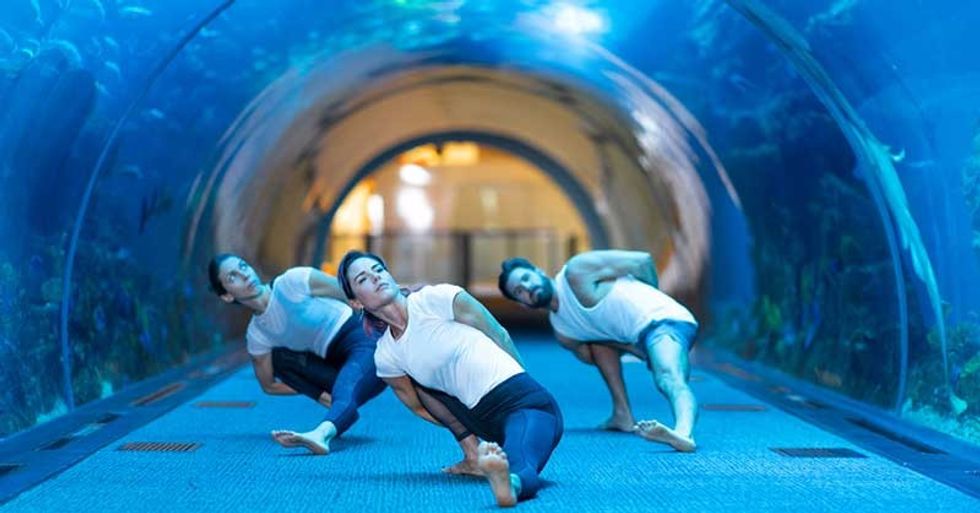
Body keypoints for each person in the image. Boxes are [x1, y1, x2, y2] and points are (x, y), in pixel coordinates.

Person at [208, 253, 480, 472]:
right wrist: (319, 393)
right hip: (333, 364)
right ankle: (338, 403)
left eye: (242, 266)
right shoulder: (258, 334)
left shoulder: (292, 281)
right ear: (227, 295)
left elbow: (352, 292)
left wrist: (405, 292)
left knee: (353, 383)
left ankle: (323, 432)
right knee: (280, 359)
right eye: (232, 276)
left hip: (361, 339)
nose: (244, 274)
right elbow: (268, 385)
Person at [338, 251, 563, 507]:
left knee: (521, 457)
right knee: (423, 389)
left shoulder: (436, 299)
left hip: (524, 402)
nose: (376, 278)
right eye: (363, 279)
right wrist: (468, 428)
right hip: (482, 418)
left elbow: (498, 334)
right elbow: (420, 407)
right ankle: (476, 457)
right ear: (356, 302)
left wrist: (525, 383)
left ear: (389, 274)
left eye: (378, 270)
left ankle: (509, 484)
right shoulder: (387, 355)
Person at [498, 250, 699, 452]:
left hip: (665, 320)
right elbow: (593, 356)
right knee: (596, 345)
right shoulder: (564, 333)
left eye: (526, 278)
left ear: (539, 271)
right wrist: (642, 352)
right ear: (522, 304)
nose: (527, 288)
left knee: (667, 379)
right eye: (519, 291)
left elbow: (642, 261)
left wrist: (654, 299)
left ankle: (684, 433)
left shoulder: (577, 271)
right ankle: (623, 414)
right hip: (642, 338)